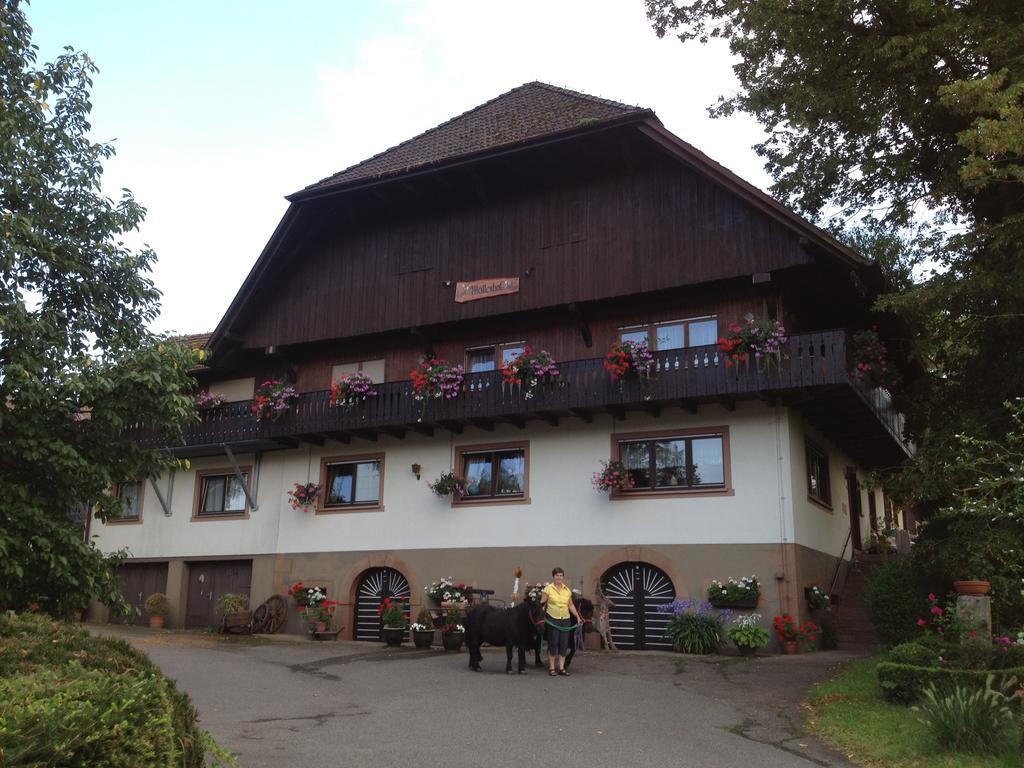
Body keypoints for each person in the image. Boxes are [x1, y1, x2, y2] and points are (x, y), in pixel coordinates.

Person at [539, 567, 583, 677]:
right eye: (557, 575)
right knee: (553, 643)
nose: (559, 577)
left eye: (561, 575)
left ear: (563, 577)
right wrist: (541, 617)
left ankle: (562, 668)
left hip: (565, 620)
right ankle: (552, 668)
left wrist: (577, 617)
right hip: (552, 619)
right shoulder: (548, 589)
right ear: (553, 577)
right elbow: (542, 605)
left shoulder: (567, 590)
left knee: (563, 644)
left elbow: (571, 605)